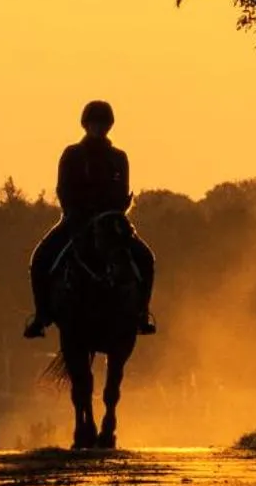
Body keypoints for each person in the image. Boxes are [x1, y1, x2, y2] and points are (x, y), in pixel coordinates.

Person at [24, 99, 157, 338]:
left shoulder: (119, 157)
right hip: (77, 220)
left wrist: (116, 211)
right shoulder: (72, 154)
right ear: (86, 125)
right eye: (95, 123)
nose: (99, 128)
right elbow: (63, 189)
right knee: (40, 258)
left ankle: (141, 314)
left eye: (103, 123)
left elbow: (122, 190)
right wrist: (78, 214)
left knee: (146, 258)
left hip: (111, 221)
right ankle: (41, 315)